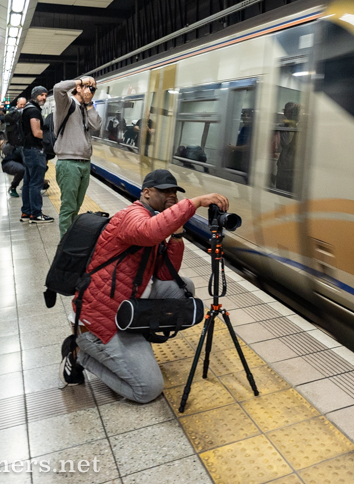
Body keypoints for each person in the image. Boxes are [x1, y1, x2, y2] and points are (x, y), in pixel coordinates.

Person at [61, 169, 229, 402]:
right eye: (164, 191)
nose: (171, 195)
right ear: (146, 193)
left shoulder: (152, 219)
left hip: (126, 305)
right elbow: (149, 232)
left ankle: (136, 332)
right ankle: (80, 353)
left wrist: (177, 236)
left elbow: (164, 273)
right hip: (101, 322)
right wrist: (196, 202)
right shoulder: (132, 215)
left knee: (183, 289)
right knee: (147, 390)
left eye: (174, 192)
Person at [53, 76, 102, 238]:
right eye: (87, 86)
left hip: (84, 163)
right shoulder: (67, 103)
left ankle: (71, 239)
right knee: (68, 208)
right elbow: (58, 88)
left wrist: (89, 103)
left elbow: (96, 126)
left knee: (76, 207)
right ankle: (64, 246)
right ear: (79, 87)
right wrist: (81, 81)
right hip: (68, 163)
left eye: (93, 88)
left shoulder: (85, 107)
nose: (90, 90)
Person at [20, 86, 53, 224]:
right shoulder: (33, 110)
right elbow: (36, 132)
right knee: (36, 183)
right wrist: (52, 138)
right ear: (35, 96)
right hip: (34, 150)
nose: (44, 97)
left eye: (45, 95)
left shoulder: (27, 108)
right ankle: (36, 214)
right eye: (41, 95)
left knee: (28, 182)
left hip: (27, 149)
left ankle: (26, 212)